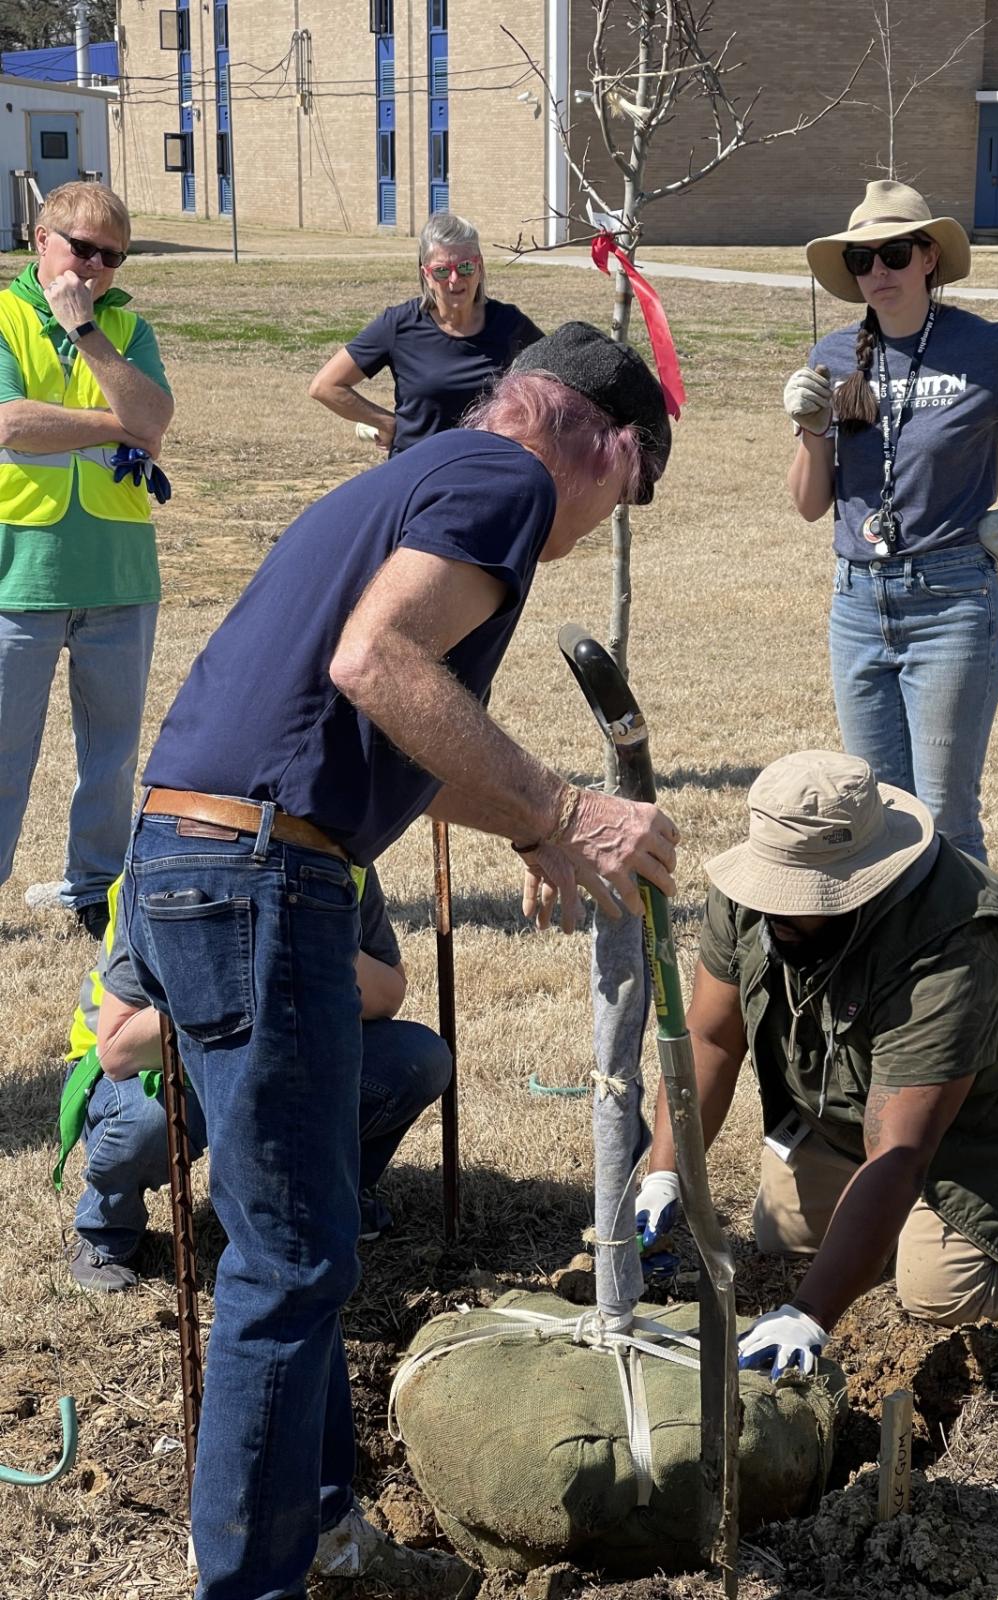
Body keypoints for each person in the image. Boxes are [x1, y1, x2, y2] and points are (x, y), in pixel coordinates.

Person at [119, 321, 679, 1600]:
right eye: (632, 489)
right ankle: (252, 1583)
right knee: (290, 1261)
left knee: (288, 1249)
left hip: (201, 857)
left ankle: (325, 1544)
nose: (605, 521)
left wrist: (529, 815)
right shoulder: (508, 481)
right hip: (261, 876)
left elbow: (367, 733)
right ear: (606, 441)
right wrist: (563, 809)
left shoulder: (407, 478)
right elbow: (377, 664)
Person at [635, 752, 998, 1381]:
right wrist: (666, 1174)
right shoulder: (753, 896)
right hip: (879, 1100)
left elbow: (899, 1155)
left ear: (860, 883)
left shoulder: (955, 946)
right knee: (783, 1230)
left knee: (941, 1292)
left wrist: (810, 1312)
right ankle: (904, 1227)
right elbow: (711, 1040)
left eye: (799, 899)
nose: (774, 910)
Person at [784, 180, 998, 863]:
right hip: (856, 605)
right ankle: (899, 969)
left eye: (895, 253)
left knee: (945, 825)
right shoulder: (833, 354)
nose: (879, 271)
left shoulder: (987, 349)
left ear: (929, 258)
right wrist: (809, 429)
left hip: (951, 602)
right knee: (874, 819)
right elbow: (809, 504)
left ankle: (965, 970)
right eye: (862, 260)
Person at [55, 868, 452, 1292]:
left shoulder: (344, 856)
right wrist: (236, 978)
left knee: (417, 1059)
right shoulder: (163, 864)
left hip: (287, 1047)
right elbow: (120, 1052)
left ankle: (331, 1194)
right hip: (154, 1065)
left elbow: (389, 996)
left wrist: (310, 942)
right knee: (147, 1122)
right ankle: (107, 1228)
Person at [0, 182, 174, 938]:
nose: (96, 267)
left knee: (111, 754)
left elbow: (155, 421)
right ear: (41, 238)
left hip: (119, 573)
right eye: (82, 248)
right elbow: (10, 423)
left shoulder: (126, 328)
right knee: (5, 750)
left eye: (112, 256)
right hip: (21, 571)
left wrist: (86, 333)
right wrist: (112, 423)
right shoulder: (3, 319)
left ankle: (93, 890)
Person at [308, 211, 542, 456]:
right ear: (426, 275)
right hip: (417, 470)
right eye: (442, 271)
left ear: (480, 267)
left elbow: (556, 380)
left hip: (486, 469)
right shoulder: (399, 325)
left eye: (465, 267)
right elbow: (325, 386)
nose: (454, 279)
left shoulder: (509, 324)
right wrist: (388, 423)